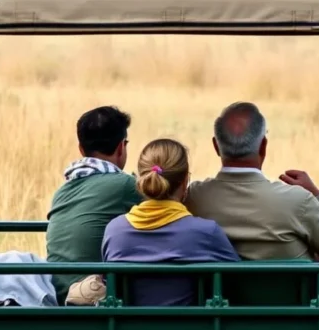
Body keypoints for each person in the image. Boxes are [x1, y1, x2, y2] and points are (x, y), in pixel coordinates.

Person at [184, 102, 319, 306]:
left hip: (225, 311)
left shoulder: (193, 198)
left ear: (216, 146)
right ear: (263, 146)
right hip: (301, 314)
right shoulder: (297, 200)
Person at [101, 138, 240, 306]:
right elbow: (238, 280)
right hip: (189, 323)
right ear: (185, 181)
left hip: (131, 324)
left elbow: (110, 287)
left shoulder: (114, 231)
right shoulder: (206, 232)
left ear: (141, 181)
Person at [46, 106, 142, 304]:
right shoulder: (125, 185)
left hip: (59, 293)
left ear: (81, 149)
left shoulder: (61, 192)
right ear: (121, 147)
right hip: (94, 297)